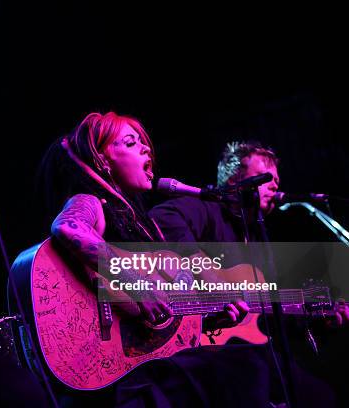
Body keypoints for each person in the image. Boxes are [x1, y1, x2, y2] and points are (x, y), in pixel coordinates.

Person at [39, 112, 275, 407]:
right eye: (130, 142)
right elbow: (68, 228)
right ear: (101, 160)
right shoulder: (92, 202)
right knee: (244, 369)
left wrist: (212, 317)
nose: (146, 149)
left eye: (145, 143)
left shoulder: (147, 228)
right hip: (120, 375)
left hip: (148, 365)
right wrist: (136, 285)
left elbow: (161, 322)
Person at [149, 141, 348, 407]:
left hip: (239, 349)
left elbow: (268, 318)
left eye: (277, 179)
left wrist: (318, 318)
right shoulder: (207, 209)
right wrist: (205, 271)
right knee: (254, 372)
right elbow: (162, 217)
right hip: (192, 341)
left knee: (320, 396)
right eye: (266, 176)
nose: (276, 185)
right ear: (235, 180)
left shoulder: (256, 239)